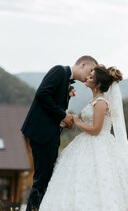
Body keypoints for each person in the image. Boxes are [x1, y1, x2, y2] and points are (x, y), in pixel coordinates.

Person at [39, 65, 128, 211]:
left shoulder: (101, 102)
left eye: (91, 76)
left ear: (98, 83)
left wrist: (77, 121)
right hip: (86, 142)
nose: (87, 77)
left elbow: (96, 130)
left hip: (99, 144)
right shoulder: (94, 100)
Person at [21, 55, 98, 211]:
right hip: (42, 134)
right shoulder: (59, 71)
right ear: (83, 64)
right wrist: (63, 115)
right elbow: (42, 94)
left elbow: (52, 108)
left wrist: (63, 120)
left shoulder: (67, 80)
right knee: (42, 180)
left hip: (51, 134)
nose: (90, 76)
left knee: (47, 179)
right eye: (90, 71)